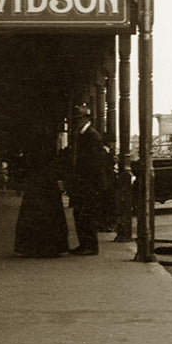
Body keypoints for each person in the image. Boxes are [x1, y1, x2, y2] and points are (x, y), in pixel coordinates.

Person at [66, 104, 110, 256]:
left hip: (90, 183)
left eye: (78, 119)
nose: (75, 122)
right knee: (80, 214)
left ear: (85, 119)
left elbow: (95, 162)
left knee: (87, 214)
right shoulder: (85, 135)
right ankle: (85, 244)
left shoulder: (92, 136)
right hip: (85, 183)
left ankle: (90, 246)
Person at [13, 149, 69, 258]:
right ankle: (50, 246)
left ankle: (33, 246)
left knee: (34, 213)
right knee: (49, 214)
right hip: (47, 183)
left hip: (36, 182)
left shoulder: (33, 151)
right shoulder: (49, 152)